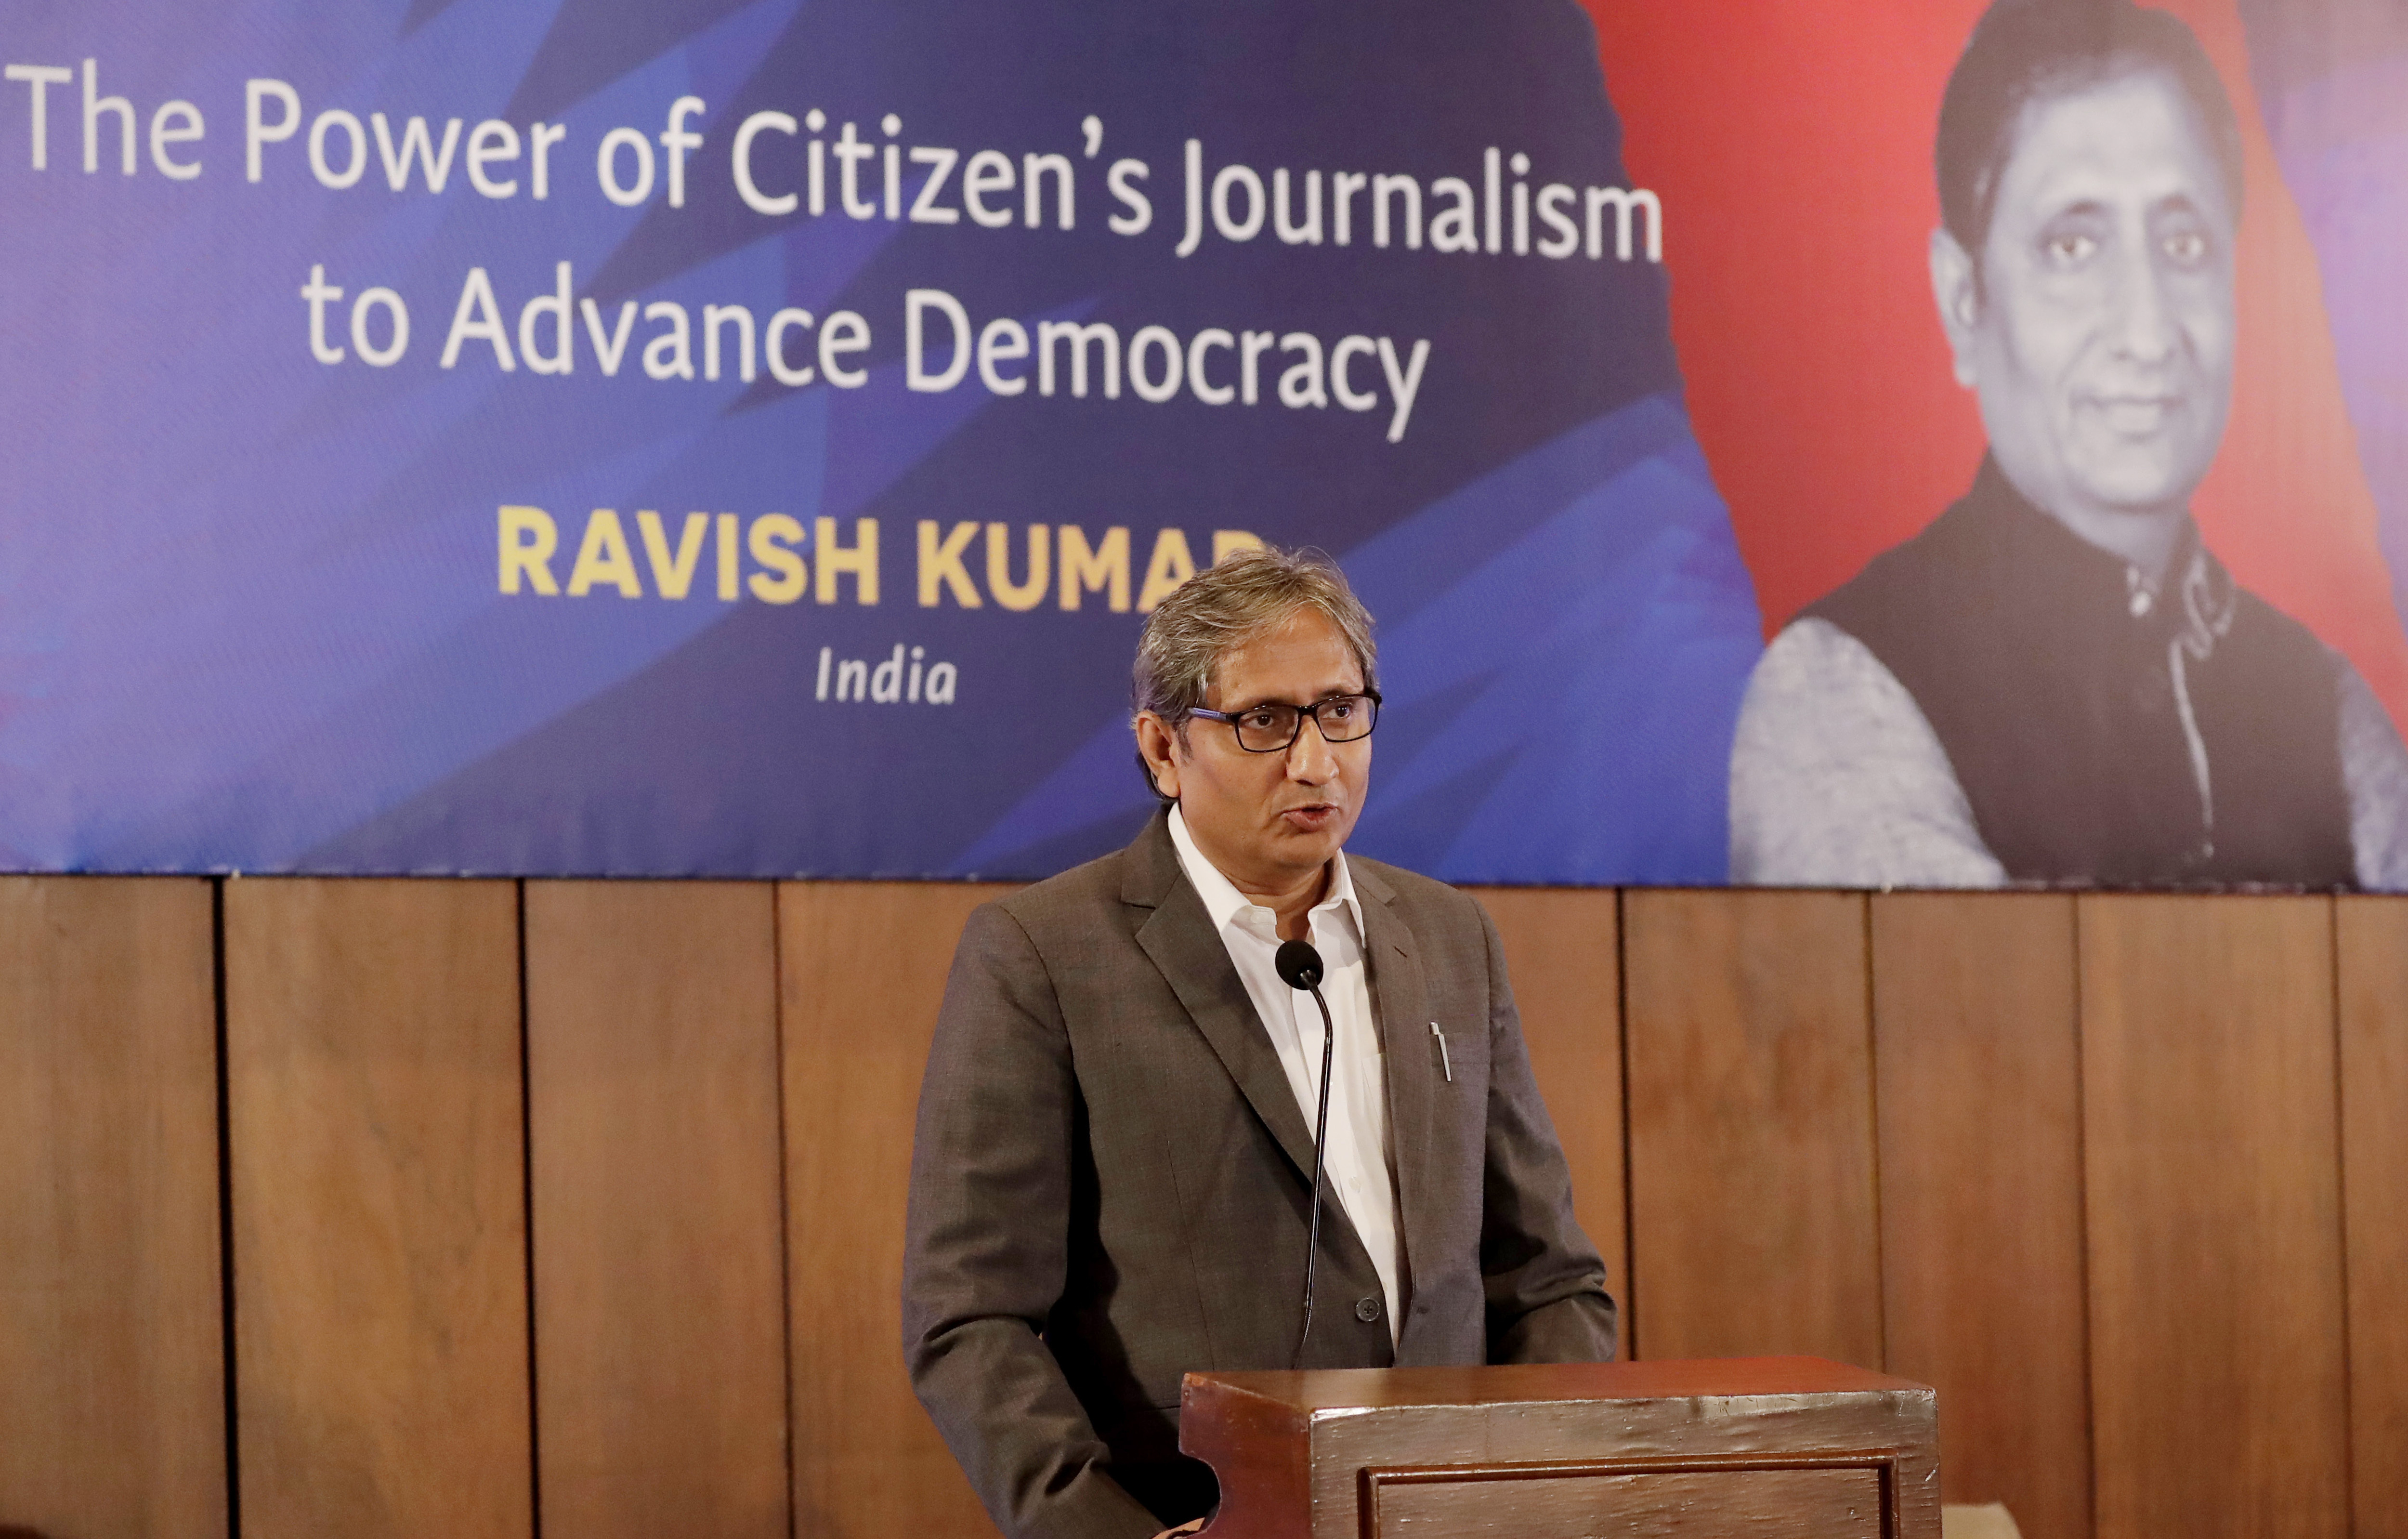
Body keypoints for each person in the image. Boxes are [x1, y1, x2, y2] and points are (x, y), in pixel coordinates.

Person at [901, 547, 1616, 1539]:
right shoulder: (1044, 953)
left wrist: (1529, 1491)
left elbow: (1547, 1277)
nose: (1317, 760)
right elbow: (970, 1315)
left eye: (1341, 710)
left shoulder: (1449, 936)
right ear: (1162, 749)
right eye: (1264, 721)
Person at [1729, 0, 2408, 889]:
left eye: (2184, 241)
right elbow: (1971, 1019)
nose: (2148, 328)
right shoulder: (1841, 686)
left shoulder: (2324, 705)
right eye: (2074, 245)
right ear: (1964, 300)